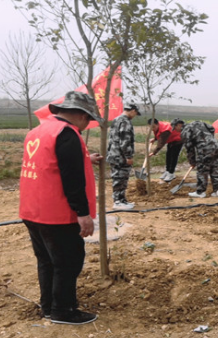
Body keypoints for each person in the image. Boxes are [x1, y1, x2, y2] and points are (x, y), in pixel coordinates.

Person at [19, 91, 102, 325]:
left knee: (46, 260)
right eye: (88, 119)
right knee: (68, 262)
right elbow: (72, 179)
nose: (88, 125)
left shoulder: (38, 132)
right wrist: (83, 214)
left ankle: (48, 307)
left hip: (32, 210)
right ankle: (63, 311)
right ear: (78, 114)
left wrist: (86, 158)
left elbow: (51, 164)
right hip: (56, 213)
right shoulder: (67, 135)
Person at [106, 103, 141, 210]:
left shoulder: (117, 120)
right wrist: (128, 156)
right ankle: (118, 202)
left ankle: (122, 200)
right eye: (135, 113)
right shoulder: (125, 121)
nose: (134, 116)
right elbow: (125, 141)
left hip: (114, 154)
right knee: (120, 178)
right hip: (120, 156)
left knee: (119, 178)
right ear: (133, 110)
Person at [181, 120, 218, 198]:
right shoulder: (198, 123)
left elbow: (189, 148)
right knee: (214, 169)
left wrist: (192, 162)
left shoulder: (185, 131)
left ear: (179, 125)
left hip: (204, 149)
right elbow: (212, 129)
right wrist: (210, 140)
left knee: (202, 170)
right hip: (215, 146)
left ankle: (200, 192)